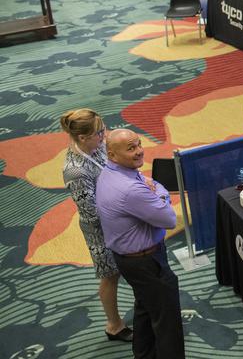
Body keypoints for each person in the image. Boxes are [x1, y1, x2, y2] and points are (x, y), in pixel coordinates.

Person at [95, 129, 184, 359]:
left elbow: (147, 184)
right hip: (147, 262)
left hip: (128, 260)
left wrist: (151, 188)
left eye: (139, 145)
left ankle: (143, 355)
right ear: (113, 155)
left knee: (145, 309)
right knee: (167, 322)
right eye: (131, 148)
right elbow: (170, 219)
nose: (139, 152)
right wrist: (160, 193)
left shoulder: (109, 172)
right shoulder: (131, 189)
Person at [59, 109, 132, 343]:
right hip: (101, 229)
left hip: (117, 215)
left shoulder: (95, 146)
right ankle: (114, 326)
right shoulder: (75, 171)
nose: (104, 135)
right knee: (110, 275)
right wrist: (124, 212)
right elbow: (90, 213)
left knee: (125, 267)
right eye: (99, 133)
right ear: (82, 137)